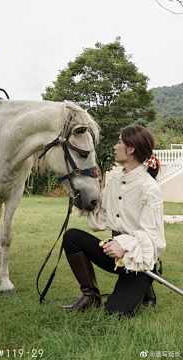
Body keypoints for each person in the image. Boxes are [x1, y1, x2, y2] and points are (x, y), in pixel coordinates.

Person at [61, 125, 166, 317]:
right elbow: (100, 213)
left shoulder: (149, 188)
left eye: (119, 142)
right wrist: (81, 197)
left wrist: (124, 246)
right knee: (72, 237)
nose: (115, 147)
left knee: (114, 315)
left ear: (131, 149)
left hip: (138, 260)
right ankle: (90, 296)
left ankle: (145, 288)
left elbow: (155, 239)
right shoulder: (115, 179)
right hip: (113, 254)